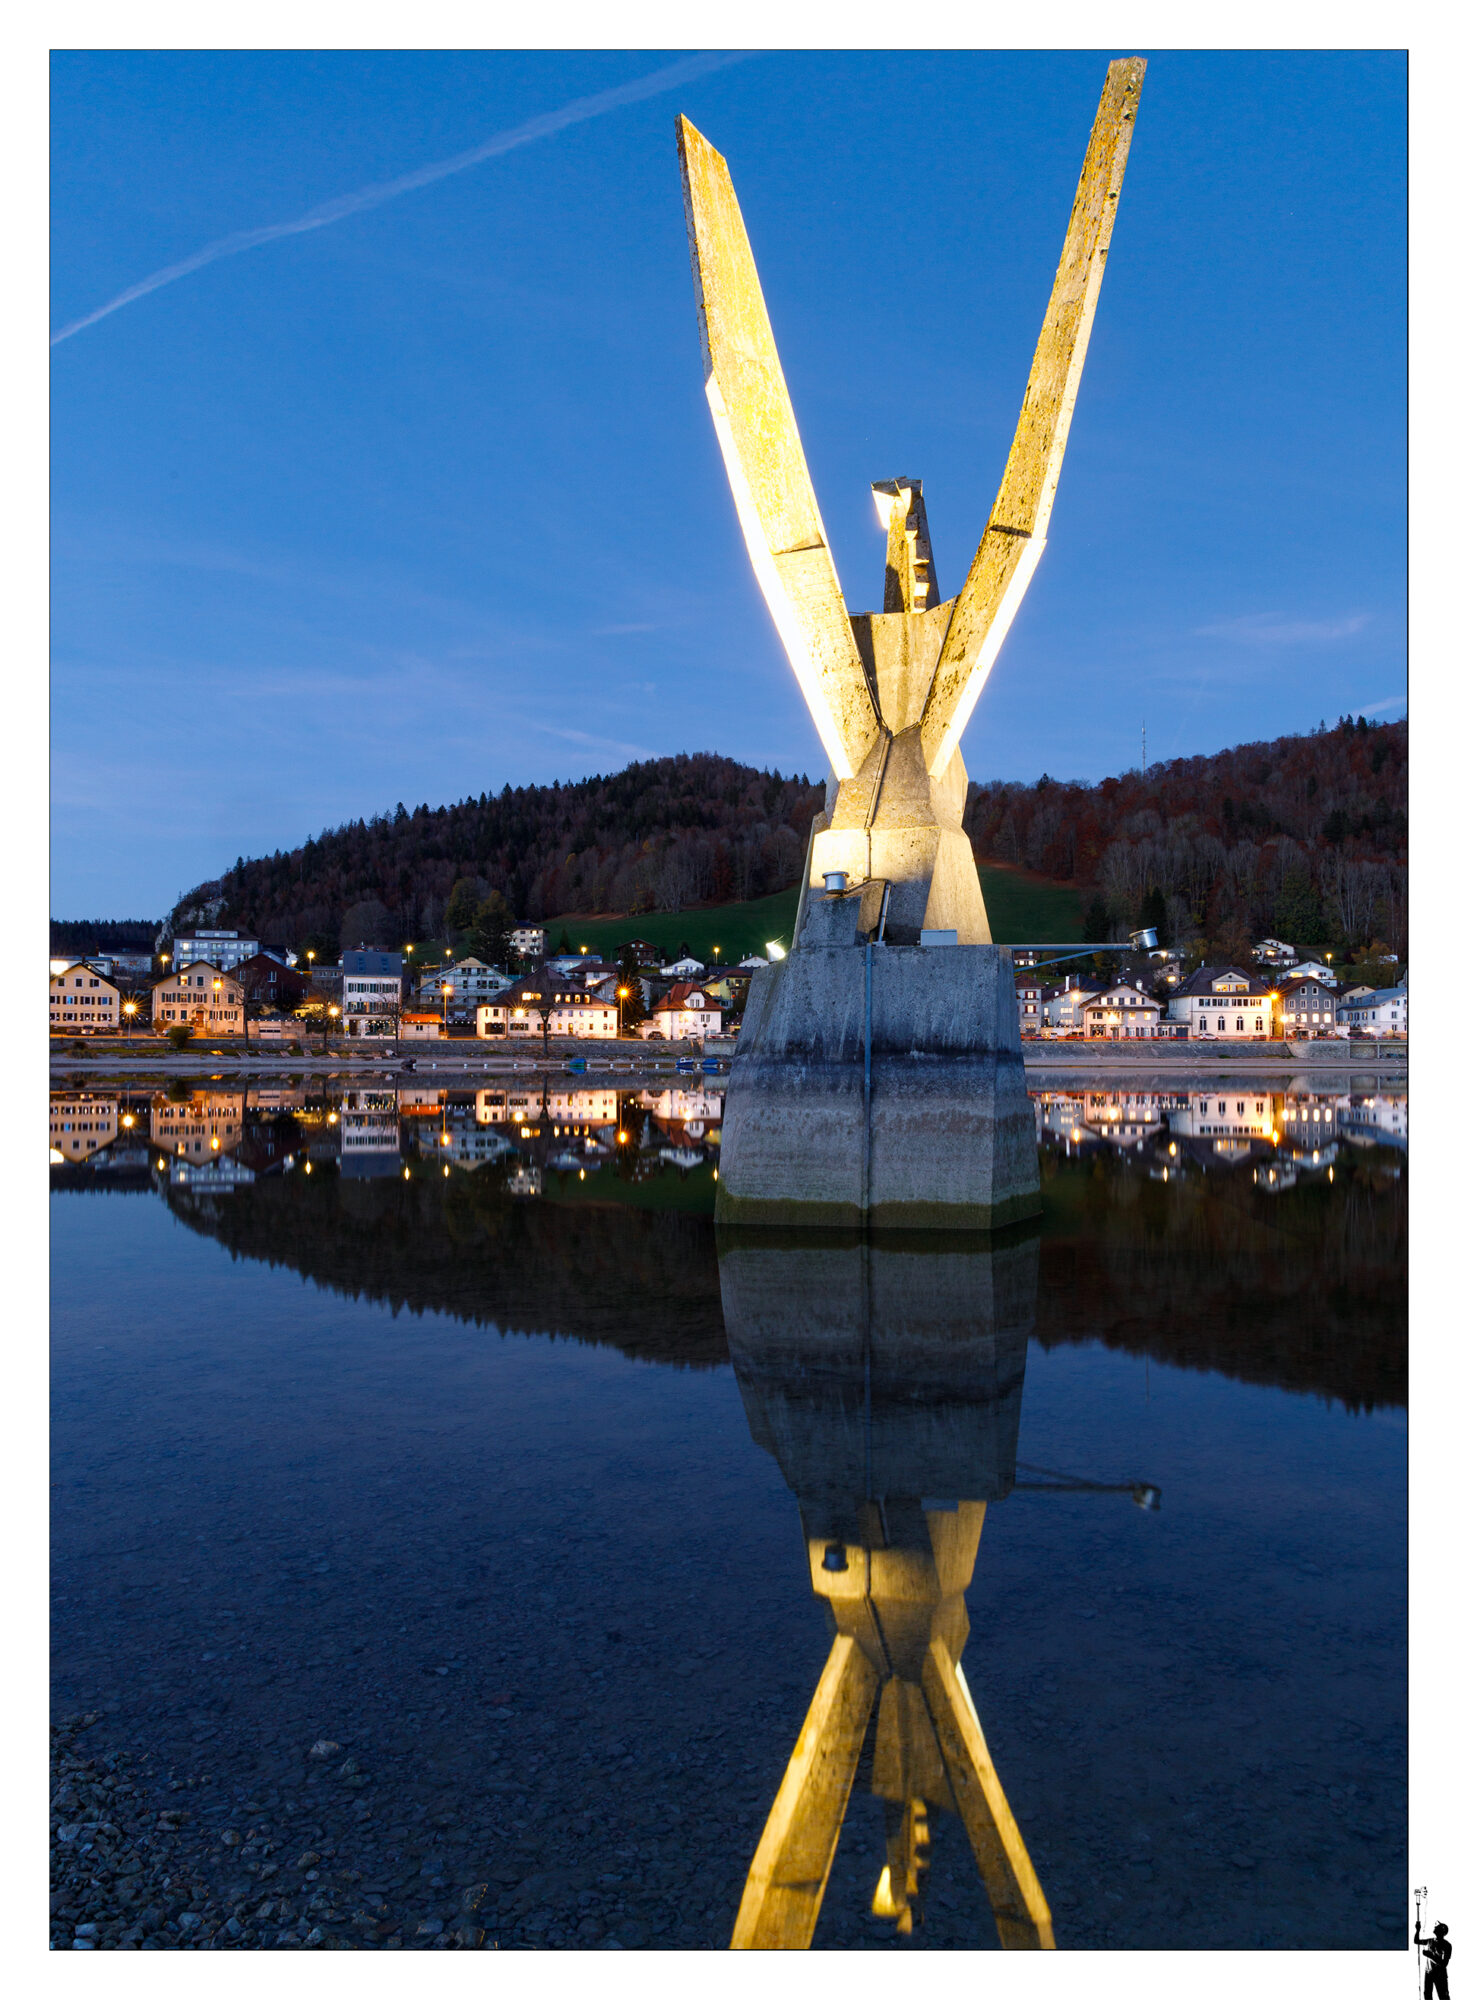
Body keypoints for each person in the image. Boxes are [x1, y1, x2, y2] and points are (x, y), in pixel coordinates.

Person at [1416, 1918, 1451, 2000]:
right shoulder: (1430, 1941)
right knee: (1427, 1995)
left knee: (1443, 1997)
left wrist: (1430, 1955)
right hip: (1428, 1973)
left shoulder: (1447, 1945)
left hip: (1440, 1974)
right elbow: (1416, 1941)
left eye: (1437, 1927)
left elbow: (1444, 1964)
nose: (1435, 1927)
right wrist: (1418, 1930)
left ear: (1441, 1931)